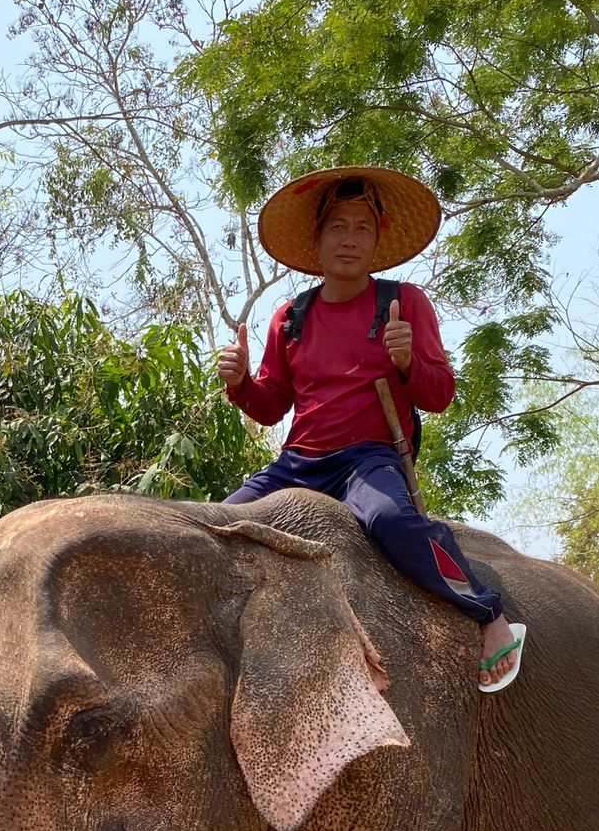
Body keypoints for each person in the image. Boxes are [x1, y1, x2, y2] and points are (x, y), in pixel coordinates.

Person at [218, 167, 524, 691]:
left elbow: (439, 395)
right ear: (317, 240)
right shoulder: (290, 316)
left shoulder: (403, 303)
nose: (350, 240)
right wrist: (241, 382)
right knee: (218, 524)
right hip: (299, 464)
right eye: (338, 227)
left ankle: (488, 612)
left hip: (369, 458)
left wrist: (407, 363)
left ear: (377, 240)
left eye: (362, 228)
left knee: (390, 519)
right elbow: (270, 407)